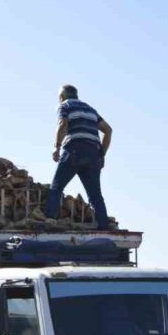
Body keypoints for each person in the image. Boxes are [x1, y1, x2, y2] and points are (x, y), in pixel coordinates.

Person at [43, 84, 113, 230]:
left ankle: (50, 220)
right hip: (93, 155)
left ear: (61, 97)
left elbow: (63, 124)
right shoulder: (90, 109)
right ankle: (104, 226)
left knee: (56, 187)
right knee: (95, 195)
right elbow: (108, 130)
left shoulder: (64, 106)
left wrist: (56, 147)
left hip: (73, 151)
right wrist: (102, 154)